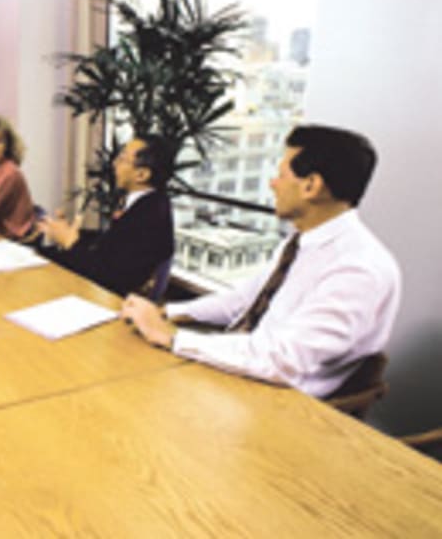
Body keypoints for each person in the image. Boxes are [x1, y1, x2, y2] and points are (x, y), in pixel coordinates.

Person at [121, 125, 402, 398]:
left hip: (276, 400)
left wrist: (173, 337)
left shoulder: (357, 270)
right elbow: (243, 300)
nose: (272, 184)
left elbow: (282, 361)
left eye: (280, 175)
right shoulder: (300, 243)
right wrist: (168, 313)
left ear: (311, 186)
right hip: (246, 370)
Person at [38, 134, 175, 296]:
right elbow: (111, 243)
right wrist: (70, 233)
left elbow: (107, 276)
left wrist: (70, 241)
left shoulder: (149, 217)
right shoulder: (149, 203)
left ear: (141, 175)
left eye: (122, 159)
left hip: (111, 299)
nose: (114, 163)